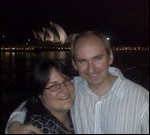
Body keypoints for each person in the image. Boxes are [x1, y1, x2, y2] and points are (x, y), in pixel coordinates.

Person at [6, 31, 149, 134]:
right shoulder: (73, 87)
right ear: (74, 64)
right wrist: (14, 124)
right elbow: (33, 101)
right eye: (82, 61)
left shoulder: (142, 101)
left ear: (110, 57)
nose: (91, 68)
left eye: (97, 58)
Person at [6, 59, 75, 134]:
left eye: (66, 80)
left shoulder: (74, 115)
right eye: (54, 86)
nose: (64, 89)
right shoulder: (39, 128)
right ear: (40, 95)